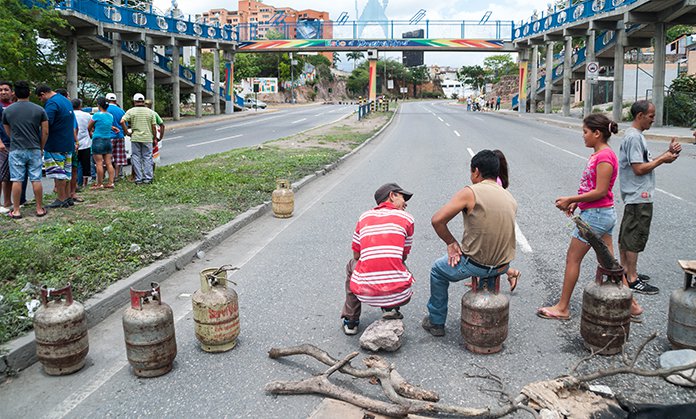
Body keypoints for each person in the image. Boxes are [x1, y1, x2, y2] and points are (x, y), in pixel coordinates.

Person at [537, 114, 643, 320]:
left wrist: (571, 198)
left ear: (597, 133)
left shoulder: (604, 156)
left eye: (585, 132)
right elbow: (593, 189)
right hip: (600, 213)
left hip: (596, 216)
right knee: (610, 263)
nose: (583, 136)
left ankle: (563, 307)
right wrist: (578, 202)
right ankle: (632, 305)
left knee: (572, 259)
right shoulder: (600, 154)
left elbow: (601, 191)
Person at [422, 150, 517, 337]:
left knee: (437, 271)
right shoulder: (509, 197)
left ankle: (436, 321)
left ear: (476, 171)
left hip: (475, 264)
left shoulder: (470, 192)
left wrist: (451, 242)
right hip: (503, 266)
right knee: (487, 259)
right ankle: (486, 314)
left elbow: (437, 220)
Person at [618, 100, 681, 295]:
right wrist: (663, 159)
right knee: (634, 236)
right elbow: (638, 169)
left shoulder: (634, 136)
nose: (653, 120)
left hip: (635, 194)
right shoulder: (635, 138)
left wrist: (667, 154)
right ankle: (632, 278)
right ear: (640, 116)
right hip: (639, 195)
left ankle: (625, 272)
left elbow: (644, 162)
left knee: (627, 235)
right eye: (651, 116)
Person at [341, 183, 415, 335]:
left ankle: (351, 321)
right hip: (400, 295)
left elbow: (357, 255)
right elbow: (403, 256)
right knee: (394, 261)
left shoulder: (364, 217)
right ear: (392, 195)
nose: (406, 203)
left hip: (364, 293)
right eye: (402, 197)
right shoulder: (408, 218)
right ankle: (391, 307)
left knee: (352, 265)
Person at [1, 81, 48, 218]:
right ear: (29, 93)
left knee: (16, 179)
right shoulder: (39, 110)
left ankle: (16, 210)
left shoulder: (8, 110)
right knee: (36, 179)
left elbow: (7, 130)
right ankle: (39, 208)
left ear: (14, 93)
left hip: (16, 149)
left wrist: (14, 140)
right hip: (34, 148)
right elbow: (45, 131)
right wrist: (41, 146)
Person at [35, 84, 76, 209]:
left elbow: (46, 124)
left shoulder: (52, 104)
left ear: (43, 94)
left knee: (58, 173)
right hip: (68, 143)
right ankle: (68, 197)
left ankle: (61, 198)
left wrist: (41, 142)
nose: (41, 101)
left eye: (40, 98)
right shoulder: (65, 100)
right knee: (67, 172)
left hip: (55, 144)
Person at [120, 93, 156, 184]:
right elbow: (154, 127)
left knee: (136, 157)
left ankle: (138, 178)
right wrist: (154, 137)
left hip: (135, 138)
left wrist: (127, 132)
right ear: (143, 101)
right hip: (147, 138)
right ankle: (148, 178)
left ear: (134, 101)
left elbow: (122, 121)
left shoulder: (131, 111)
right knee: (147, 157)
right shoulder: (150, 112)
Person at [88, 97, 117, 189]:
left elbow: (89, 127)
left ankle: (99, 183)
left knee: (99, 163)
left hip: (98, 139)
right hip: (108, 140)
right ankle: (111, 182)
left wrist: (91, 133)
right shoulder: (110, 116)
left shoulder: (96, 115)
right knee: (108, 163)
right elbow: (106, 124)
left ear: (99, 105)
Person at [106, 93, 127, 180]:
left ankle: (109, 176)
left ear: (106, 100)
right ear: (115, 101)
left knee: (108, 158)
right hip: (119, 136)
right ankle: (117, 175)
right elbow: (125, 124)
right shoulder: (121, 111)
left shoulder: (104, 110)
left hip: (108, 136)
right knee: (118, 157)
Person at [72, 98, 92, 189]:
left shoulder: (70, 115)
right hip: (85, 143)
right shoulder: (87, 115)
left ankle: (74, 183)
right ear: (80, 105)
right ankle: (84, 183)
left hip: (73, 144)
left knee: (73, 165)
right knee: (85, 165)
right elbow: (90, 127)